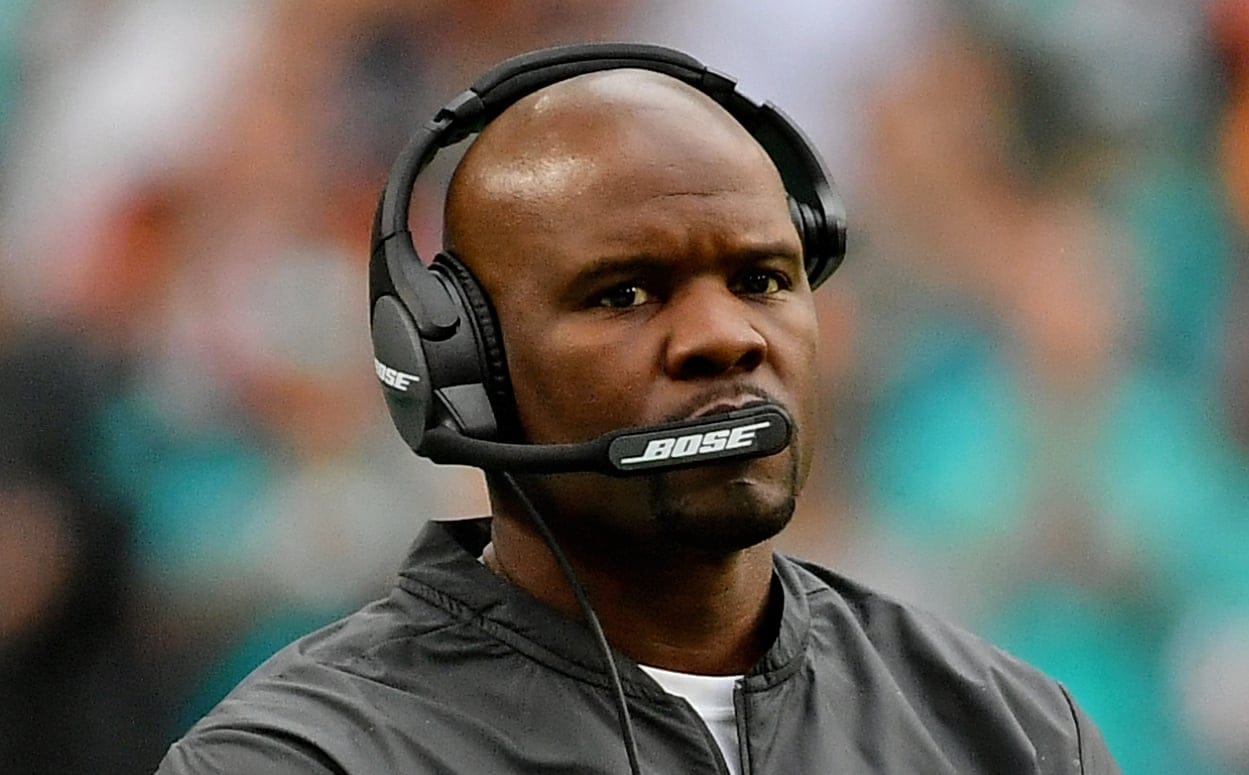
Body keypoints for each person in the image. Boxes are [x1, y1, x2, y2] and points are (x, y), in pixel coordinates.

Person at [159, 46, 1121, 774]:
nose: (724, 336)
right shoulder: (302, 758)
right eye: (624, 292)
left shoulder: (1012, 733)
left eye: (761, 278)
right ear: (458, 362)